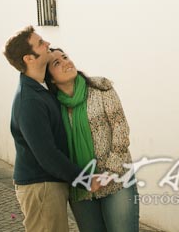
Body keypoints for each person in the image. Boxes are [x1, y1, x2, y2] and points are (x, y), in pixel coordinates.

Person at [3, 26, 96, 232]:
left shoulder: (40, 88)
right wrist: (86, 180)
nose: (47, 44)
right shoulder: (30, 100)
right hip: (41, 187)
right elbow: (46, 154)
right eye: (40, 43)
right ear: (29, 58)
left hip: (46, 186)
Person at [46, 48, 139, 232]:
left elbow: (120, 130)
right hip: (82, 186)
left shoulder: (100, 87)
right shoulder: (52, 105)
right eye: (57, 63)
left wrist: (109, 173)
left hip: (116, 179)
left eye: (65, 57)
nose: (66, 62)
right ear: (51, 80)